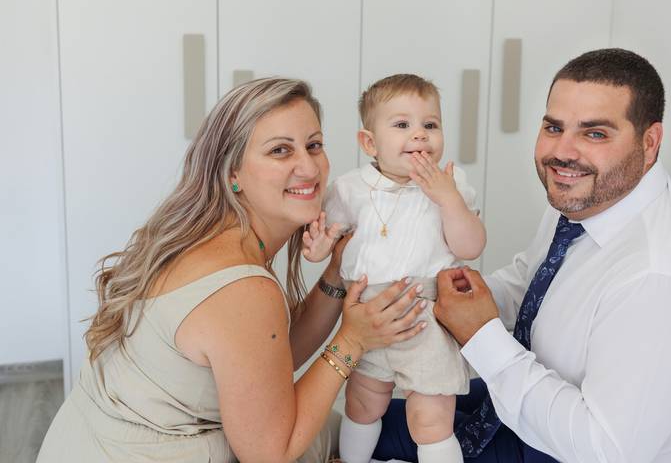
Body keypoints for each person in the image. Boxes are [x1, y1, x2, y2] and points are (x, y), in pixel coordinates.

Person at [374, 48, 671, 463]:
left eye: (595, 134)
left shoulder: (662, 281)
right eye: (554, 127)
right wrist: (434, 297)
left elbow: (602, 449)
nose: (563, 152)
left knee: (384, 434)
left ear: (650, 142)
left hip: (572, 449)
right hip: (538, 402)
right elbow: (532, 282)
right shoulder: (590, 198)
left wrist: (480, 335)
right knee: (370, 414)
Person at [36, 78, 429, 463]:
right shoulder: (242, 289)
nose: (309, 167)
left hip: (83, 443)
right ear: (232, 174)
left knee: (378, 422)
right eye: (280, 151)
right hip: (151, 452)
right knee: (397, 430)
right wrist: (352, 340)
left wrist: (337, 272)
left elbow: (267, 358)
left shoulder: (198, 234)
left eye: (313, 145)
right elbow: (271, 454)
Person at [302, 74, 486, 463]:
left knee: (430, 419)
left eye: (430, 125)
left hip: (427, 316)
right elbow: (328, 241)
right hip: (366, 315)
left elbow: (471, 247)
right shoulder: (351, 188)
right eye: (402, 125)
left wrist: (449, 200)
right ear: (370, 143)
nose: (419, 135)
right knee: (362, 403)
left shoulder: (450, 182)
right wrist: (318, 248)